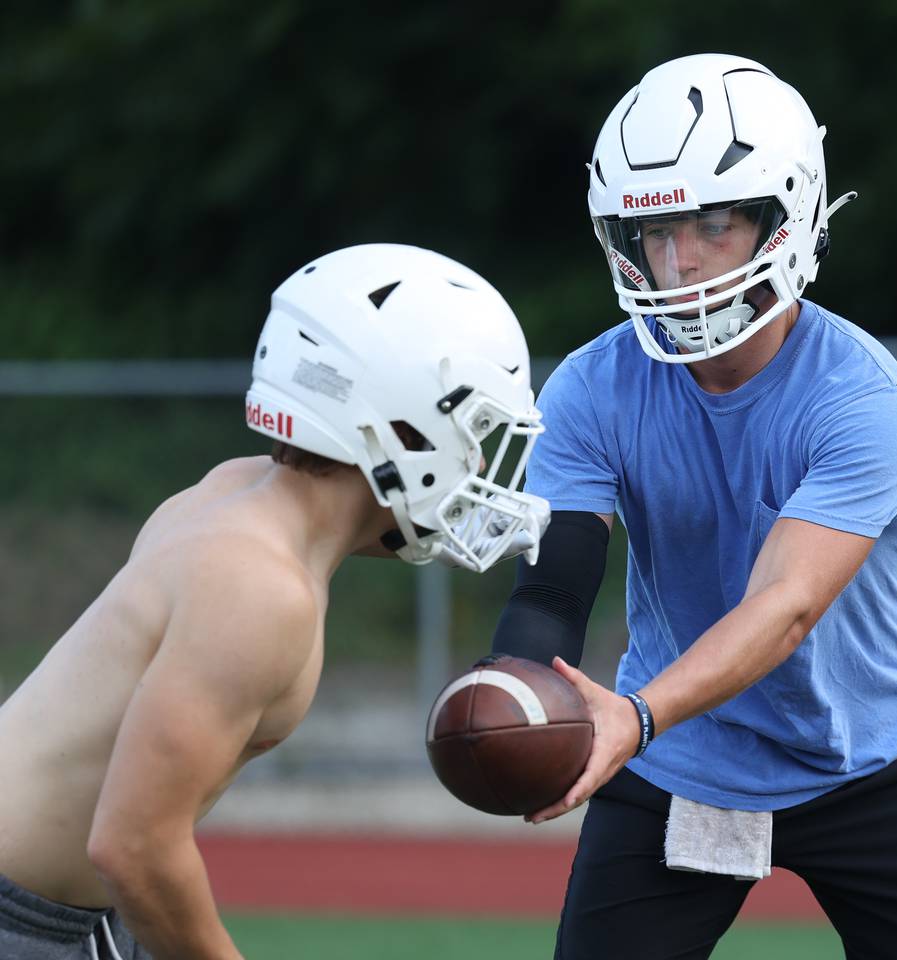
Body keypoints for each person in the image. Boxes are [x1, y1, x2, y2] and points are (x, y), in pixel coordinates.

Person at [486, 54, 897, 959]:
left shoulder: (864, 397)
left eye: (714, 222)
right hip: (678, 763)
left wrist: (636, 715)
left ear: (789, 217)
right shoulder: (590, 386)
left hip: (862, 762)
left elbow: (785, 607)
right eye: (654, 231)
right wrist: (512, 696)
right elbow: (553, 591)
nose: (679, 260)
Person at [0, 243, 548, 960]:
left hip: (62, 911)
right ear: (400, 428)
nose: (476, 467)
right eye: (470, 433)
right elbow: (134, 847)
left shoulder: (232, 492)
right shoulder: (262, 588)